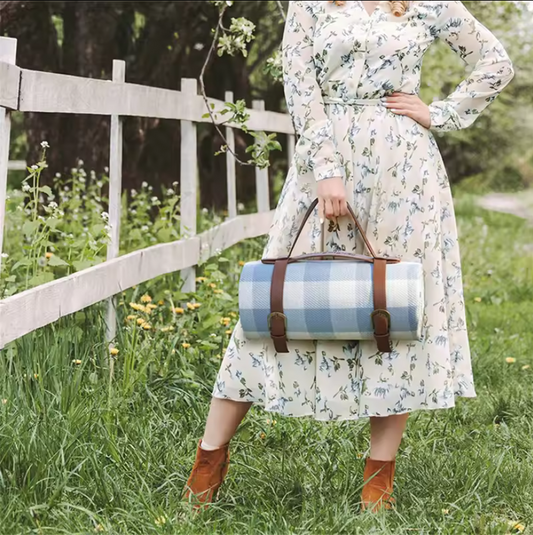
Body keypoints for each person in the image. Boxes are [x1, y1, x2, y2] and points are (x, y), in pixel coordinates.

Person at [183, 0, 514, 512]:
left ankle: (378, 483)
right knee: (276, 304)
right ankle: (207, 464)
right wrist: (327, 168)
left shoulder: (429, 4)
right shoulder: (312, 3)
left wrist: (441, 112)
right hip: (326, 165)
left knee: (395, 310)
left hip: (405, 173)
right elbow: (299, 82)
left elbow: (495, 61)